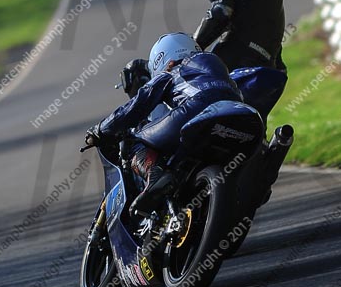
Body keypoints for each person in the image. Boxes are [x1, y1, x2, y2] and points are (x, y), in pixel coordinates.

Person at [86, 33, 242, 216]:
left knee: (136, 139)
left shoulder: (172, 71)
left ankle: (155, 175)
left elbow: (137, 106)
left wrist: (101, 129)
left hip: (196, 108)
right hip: (239, 113)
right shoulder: (216, 63)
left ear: (164, 59)